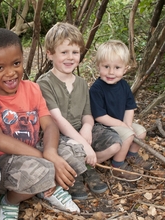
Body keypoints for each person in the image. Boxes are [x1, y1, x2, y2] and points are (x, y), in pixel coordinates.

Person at [0, 28, 85, 220]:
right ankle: (8, 201)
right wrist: (46, 158)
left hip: (32, 151)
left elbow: (49, 125)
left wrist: (51, 152)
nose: (10, 73)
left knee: (74, 151)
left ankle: (44, 186)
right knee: (41, 168)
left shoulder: (32, 88)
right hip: (3, 161)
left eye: (16, 63)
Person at [37, 22, 122, 199]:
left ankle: (86, 164)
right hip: (57, 135)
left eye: (75, 52)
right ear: (50, 54)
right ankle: (76, 172)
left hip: (78, 130)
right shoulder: (44, 83)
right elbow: (57, 119)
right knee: (73, 147)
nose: (70, 57)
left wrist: (87, 128)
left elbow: (87, 114)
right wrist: (84, 145)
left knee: (115, 143)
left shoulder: (82, 83)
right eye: (64, 52)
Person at [89, 39, 153, 181]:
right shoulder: (96, 89)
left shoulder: (124, 85)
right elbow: (99, 116)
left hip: (120, 124)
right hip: (103, 127)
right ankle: (117, 166)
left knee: (141, 132)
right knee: (128, 135)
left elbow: (129, 107)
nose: (111, 72)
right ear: (98, 66)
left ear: (125, 69)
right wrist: (124, 127)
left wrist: (128, 124)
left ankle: (131, 155)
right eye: (106, 66)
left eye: (117, 68)